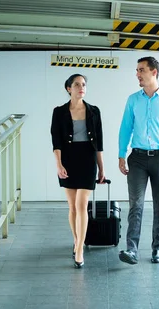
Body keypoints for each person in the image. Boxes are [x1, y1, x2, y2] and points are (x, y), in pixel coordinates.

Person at [117, 56, 159, 265]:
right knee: (135, 205)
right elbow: (125, 128)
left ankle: (157, 248)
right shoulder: (133, 100)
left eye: (141, 70)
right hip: (136, 157)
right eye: (137, 70)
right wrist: (121, 154)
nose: (137, 74)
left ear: (154, 72)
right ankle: (132, 250)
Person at [51, 74, 105, 268]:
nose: (81, 87)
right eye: (77, 85)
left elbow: (99, 142)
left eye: (84, 85)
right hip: (68, 160)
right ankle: (76, 240)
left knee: (82, 205)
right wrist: (59, 164)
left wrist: (101, 168)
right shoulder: (59, 112)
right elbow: (56, 141)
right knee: (72, 207)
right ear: (68, 88)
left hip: (87, 159)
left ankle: (80, 248)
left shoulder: (94, 111)